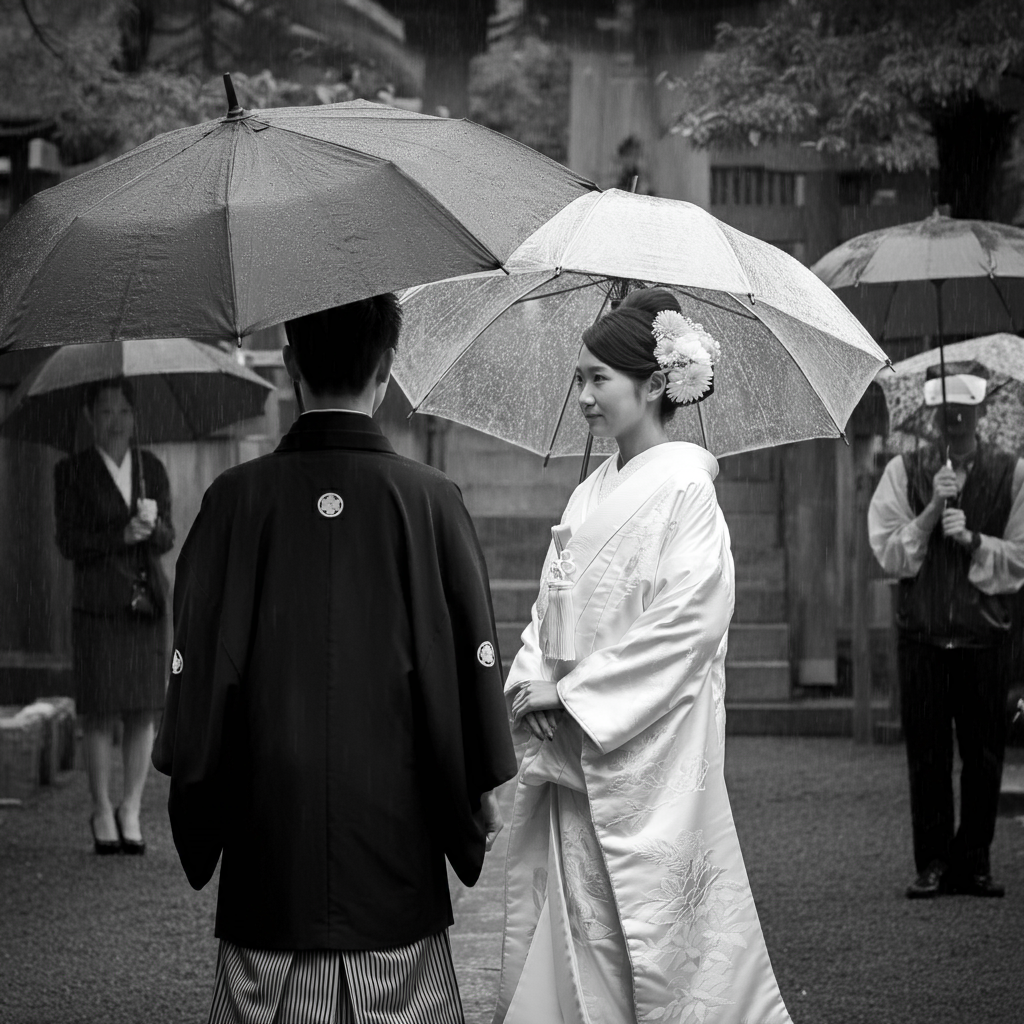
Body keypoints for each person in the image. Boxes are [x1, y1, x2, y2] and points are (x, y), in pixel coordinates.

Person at [153, 293, 517, 1024]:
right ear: (387, 370)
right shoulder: (431, 500)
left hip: (269, 843)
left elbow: (199, 676)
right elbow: (468, 670)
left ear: (290, 368)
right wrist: (473, 794)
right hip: (396, 842)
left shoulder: (232, 501)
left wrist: (199, 802)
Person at [493, 288, 792, 1024]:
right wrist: (533, 676)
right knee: (577, 925)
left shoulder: (688, 489)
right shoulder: (592, 491)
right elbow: (548, 608)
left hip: (644, 744)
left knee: (654, 932)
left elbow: (690, 622)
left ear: (656, 383)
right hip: (577, 741)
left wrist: (576, 693)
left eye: (599, 379)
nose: (586, 397)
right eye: (580, 379)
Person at [868, 360, 1024, 900]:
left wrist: (976, 540)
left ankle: (975, 861)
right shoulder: (903, 472)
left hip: (985, 637)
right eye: (946, 414)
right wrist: (933, 509)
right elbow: (889, 552)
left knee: (984, 754)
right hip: (925, 635)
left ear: (981, 413)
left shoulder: (1013, 472)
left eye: (965, 413)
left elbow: (1021, 557)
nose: (956, 422)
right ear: (933, 417)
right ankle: (932, 861)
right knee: (928, 754)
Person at [54, 378, 174, 856]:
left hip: (145, 603)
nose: (117, 421)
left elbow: (167, 537)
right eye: (106, 411)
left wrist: (152, 527)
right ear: (89, 417)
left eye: (125, 410)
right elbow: (69, 542)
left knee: (144, 708)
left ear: (135, 416)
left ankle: (131, 807)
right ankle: (102, 808)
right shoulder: (72, 472)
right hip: (99, 603)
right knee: (101, 709)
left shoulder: (152, 468)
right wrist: (119, 535)